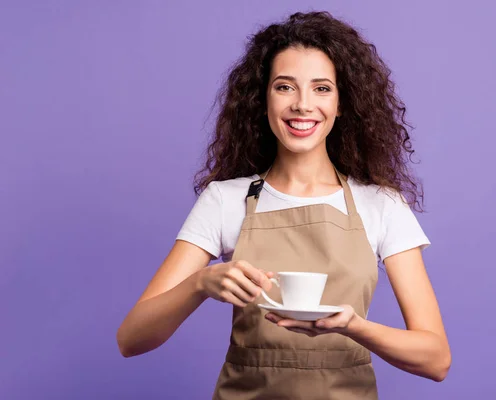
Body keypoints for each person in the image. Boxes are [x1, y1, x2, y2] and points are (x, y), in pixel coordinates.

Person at [117, 11, 451, 399]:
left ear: (343, 103)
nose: (303, 105)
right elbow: (131, 339)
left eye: (322, 88)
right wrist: (200, 283)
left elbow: (436, 359)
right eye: (285, 87)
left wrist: (351, 326)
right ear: (263, 100)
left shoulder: (380, 204)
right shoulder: (226, 200)